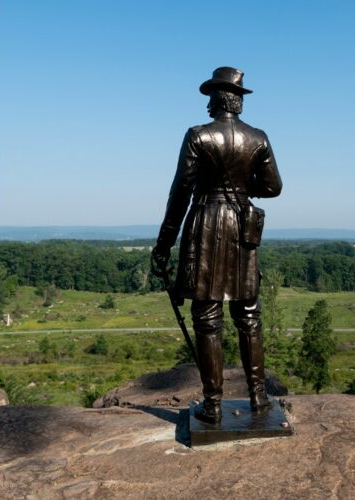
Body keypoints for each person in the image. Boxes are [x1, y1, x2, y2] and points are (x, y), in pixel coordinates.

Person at [151, 67, 282, 424]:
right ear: (237, 101)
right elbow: (273, 187)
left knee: (208, 318)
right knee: (248, 314)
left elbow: (180, 193)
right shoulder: (258, 138)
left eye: (211, 96)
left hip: (207, 221)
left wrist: (163, 243)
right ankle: (259, 398)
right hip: (241, 223)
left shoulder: (198, 136)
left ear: (217, 99)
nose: (209, 104)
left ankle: (212, 404)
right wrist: (242, 186)